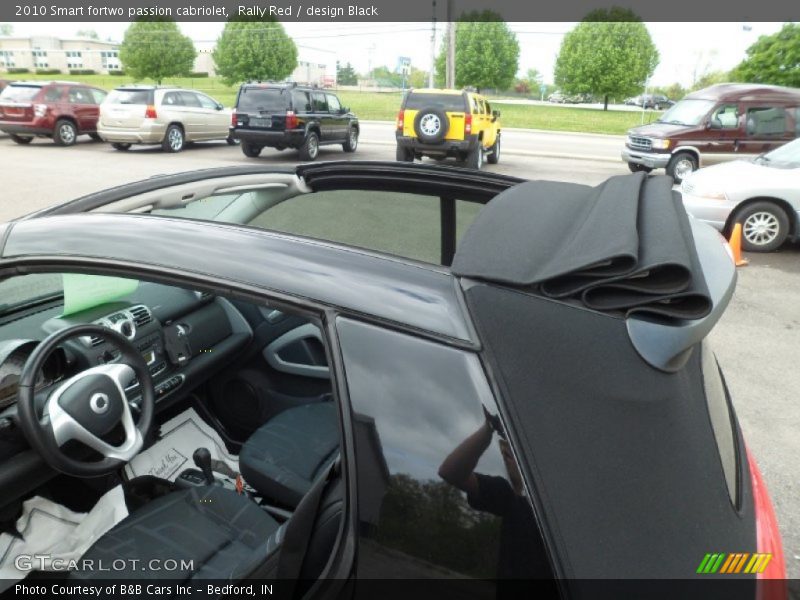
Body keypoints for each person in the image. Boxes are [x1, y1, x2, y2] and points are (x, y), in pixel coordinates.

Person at [438, 407, 552, 581]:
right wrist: (490, 426)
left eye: (512, 452)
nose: (506, 456)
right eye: (505, 453)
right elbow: (451, 472)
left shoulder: (557, 507)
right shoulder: (507, 497)